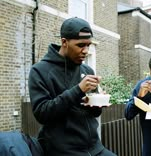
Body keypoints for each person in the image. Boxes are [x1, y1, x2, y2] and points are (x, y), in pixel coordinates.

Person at [28, 17, 116, 156]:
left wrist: (97, 104)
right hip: (62, 150)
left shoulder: (87, 70)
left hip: (94, 148)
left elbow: (93, 114)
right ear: (64, 42)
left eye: (88, 45)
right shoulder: (40, 71)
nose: (86, 51)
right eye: (81, 45)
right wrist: (78, 90)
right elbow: (42, 114)